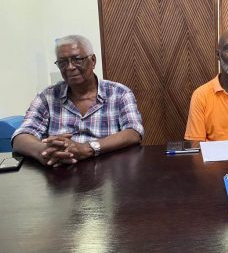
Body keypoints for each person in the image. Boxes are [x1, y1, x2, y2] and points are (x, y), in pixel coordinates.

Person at [12, 35, 144, 167]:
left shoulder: (119, 93)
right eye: (62, 62)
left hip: (108, 173)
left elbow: (133, 132)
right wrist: (44, 151)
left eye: (77, 59)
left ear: (93, 61)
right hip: (59, 177)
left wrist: (88, 148)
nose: (70, 67)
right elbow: (21, 136)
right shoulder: (47, 97)